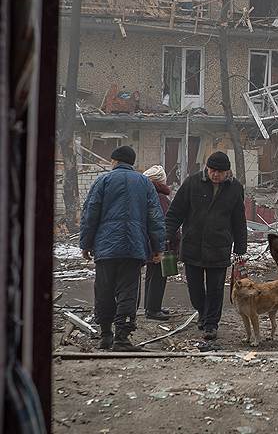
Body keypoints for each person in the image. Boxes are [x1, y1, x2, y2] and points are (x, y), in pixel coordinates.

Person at [80, 145, 164, 351]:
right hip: (133, 247)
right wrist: (157, 247)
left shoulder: (103, 181)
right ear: (132, 162)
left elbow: (90, 214)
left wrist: (85, 243)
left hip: (106, 247)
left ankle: (106, 335)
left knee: (104, 290)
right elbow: (155, 217)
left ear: (114, 161)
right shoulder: (144, 183)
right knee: (128, 291)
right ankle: (122, 338)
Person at [165, 151, 247, 340]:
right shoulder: (192, 183)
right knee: (195, 289)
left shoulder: (235, 188)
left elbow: (238, 220)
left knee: (216, 289)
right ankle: (202, 311)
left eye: (220, 171)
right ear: (206, 168)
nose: (215, 174)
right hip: (193, 245)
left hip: (219, 246)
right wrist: (166, 234)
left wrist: (240, 248)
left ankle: (211, 324)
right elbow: (175, 211)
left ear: (228, 172)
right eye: (212, 170)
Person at [142, 165, 175, 321]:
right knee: (158, 276)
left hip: (151, 242)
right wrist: (162, 244)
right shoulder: (159, 197)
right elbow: (162, 222)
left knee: (152, 274)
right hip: (159, 242)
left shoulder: (148, 194)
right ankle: (153, 309)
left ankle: (151, 306)